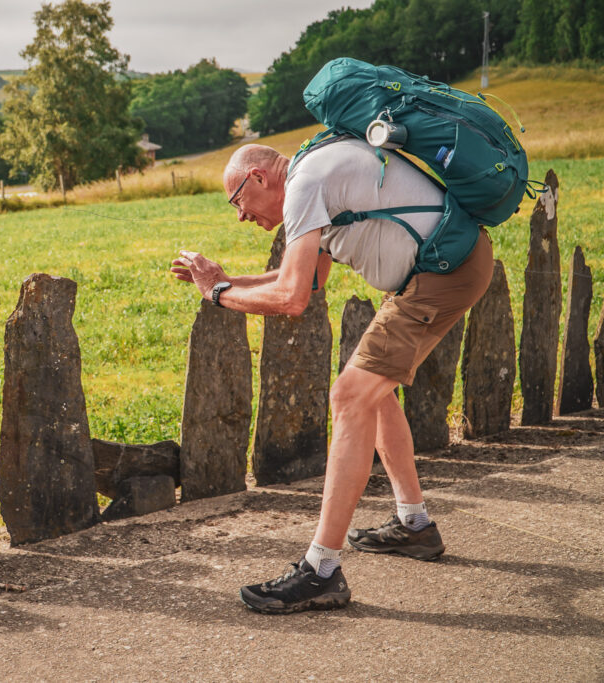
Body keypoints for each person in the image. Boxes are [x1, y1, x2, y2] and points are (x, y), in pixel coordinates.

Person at [170, 139, 493, 614]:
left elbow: (293, 299)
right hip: (443, 267)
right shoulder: (311, 179)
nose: (240, 215)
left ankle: (321, 571)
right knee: (370, 392)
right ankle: (415, 525)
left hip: (442, 273)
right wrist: (225, 281)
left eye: (237, 200)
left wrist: (218, 296)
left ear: (259, 178)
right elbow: (308, 278)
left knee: (348, 398)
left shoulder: (307, 182)